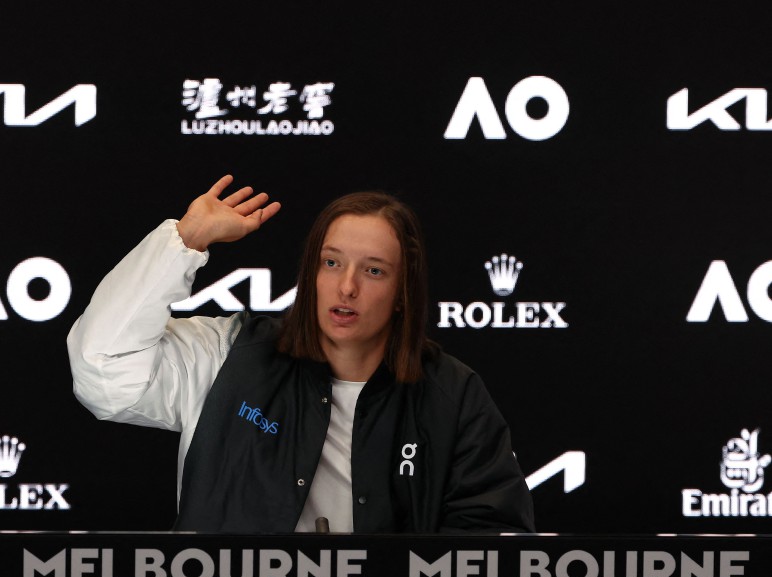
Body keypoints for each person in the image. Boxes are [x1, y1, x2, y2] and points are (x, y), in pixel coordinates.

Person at [67, 175, 534, 533]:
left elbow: (492, 546)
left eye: (373, 270)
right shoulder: (229, 353)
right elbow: (102, 370)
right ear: (310, 272)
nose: (346, 286)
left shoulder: (452, 394)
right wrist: (185, 241)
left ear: (402, 293)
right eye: (331, 263)